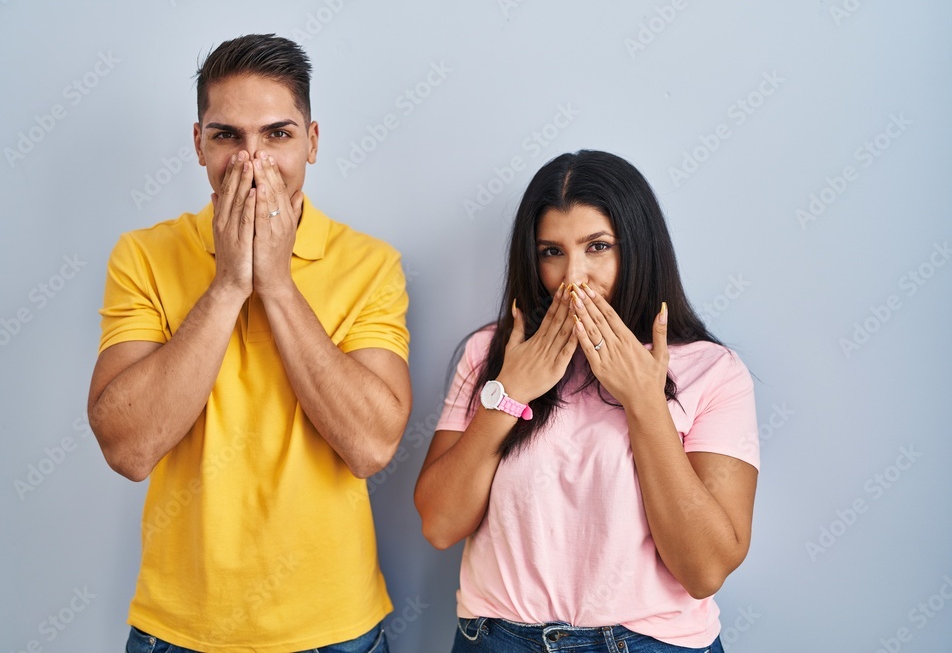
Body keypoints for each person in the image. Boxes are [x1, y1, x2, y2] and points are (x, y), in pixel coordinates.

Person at [87, 34, 412, 653]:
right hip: (179, 633)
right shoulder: (143, 256)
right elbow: (128, 450)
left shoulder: (371, 265)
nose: (251, 160)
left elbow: (371, 446)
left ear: (312, 143)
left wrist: (279, 286)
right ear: (198, 144)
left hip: (334, 632)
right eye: (227, 135)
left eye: (277, 135)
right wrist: (230, 284)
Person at [415, 150, 759, 652]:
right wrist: (508, 394)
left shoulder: (712, 371)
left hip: (649, 643)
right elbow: (440, 526)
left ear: (638, 249)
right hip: (499, 638)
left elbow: (704, 570)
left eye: (597, 246)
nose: (573, 277)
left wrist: (644, 402)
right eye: (551, 251)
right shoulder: (492, 355)